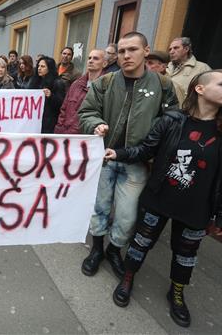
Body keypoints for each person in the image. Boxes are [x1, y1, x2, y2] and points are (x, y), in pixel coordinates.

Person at [105, 69, 222, 328]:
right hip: (159, 197)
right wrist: (119, 153)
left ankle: (177, 293)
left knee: (186, 254)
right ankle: (128, 276)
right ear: (200, 89)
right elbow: (147, 149)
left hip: (196, 207)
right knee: (140, 242)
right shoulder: (171, 120)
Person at [78, 32, 179, 279]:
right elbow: (86, 112)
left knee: (126, 216)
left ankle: (114, 250)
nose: (126, 55)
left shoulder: (163, 85)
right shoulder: (105, 82)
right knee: (99, 208)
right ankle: (97, 249)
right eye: (122, 51)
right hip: (103, 159)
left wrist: (151, 146)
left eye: (132, 49)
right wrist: (96, 124)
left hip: (137, 162)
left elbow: (173, 121)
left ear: (146, 51)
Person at [55, 49, 107, 134]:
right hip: (66, 134)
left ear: (104, 63)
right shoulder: (76, 84)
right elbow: (64, 109)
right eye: (89, 58)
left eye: (96, 58)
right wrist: (59, 129)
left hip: (86, 138)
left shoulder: (106, 87)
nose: (91, 61)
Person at [167, 37, 211, 105]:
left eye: (176, 48)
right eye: (170, 49)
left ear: (186, 49)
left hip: (186, 111)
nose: (171, 52)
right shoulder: (165, 67)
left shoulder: (202, 68)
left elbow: (209, 92)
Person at [36, 56, 66, 133]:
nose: (39, 68)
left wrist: (51, 96)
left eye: (42, 66)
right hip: (37, 120)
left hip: (49, 123)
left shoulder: (57, 83)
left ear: (49, 68)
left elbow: (62, 103)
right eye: (38, 66)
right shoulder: (36, 81)